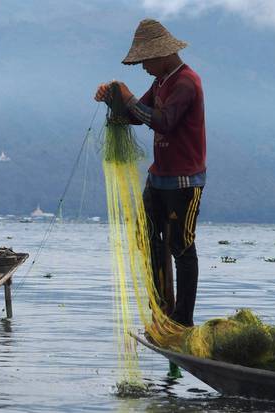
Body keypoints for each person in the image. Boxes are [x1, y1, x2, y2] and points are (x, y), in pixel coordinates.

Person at [94, 19, 206, 327]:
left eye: (145, 61)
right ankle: (160, 308)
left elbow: (163, 122)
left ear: (162, 55)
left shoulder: (186, 82)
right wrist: (114, 98)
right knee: (148, 238)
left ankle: (182, 319)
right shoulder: (161, 82)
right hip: (159, 178)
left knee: (181, 247)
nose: (143, 67)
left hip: (184, 180)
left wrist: (128, 97)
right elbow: (134, 117)